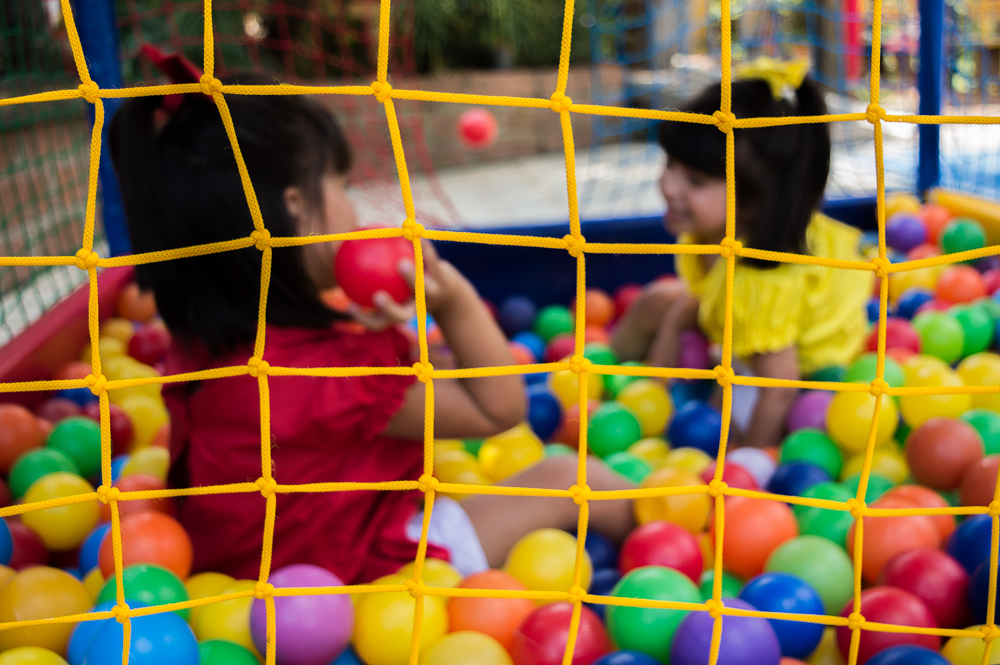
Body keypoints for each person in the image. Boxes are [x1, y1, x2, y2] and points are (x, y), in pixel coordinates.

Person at [109, 74, 634, 584]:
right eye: (340, 185)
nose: (352, 205)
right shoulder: (332, 375)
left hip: (239, 578)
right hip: (366, 576)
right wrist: (452, 300)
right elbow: (499, 408)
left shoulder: (207, 339)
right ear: (296, 207)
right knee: (572, 476)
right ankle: (664, 571)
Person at [612, 59, 873, 450]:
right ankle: (598, 367)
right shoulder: (708, 230)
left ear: (751, 205)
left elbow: (779, 387)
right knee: (657, 302)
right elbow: (697, 298)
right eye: (669, 165)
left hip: (810, 372)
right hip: (752, 335)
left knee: (729, 427)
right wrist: (663, 354)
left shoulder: (757, 281)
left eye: (695, 180)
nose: (667, 186)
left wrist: (748, 465)